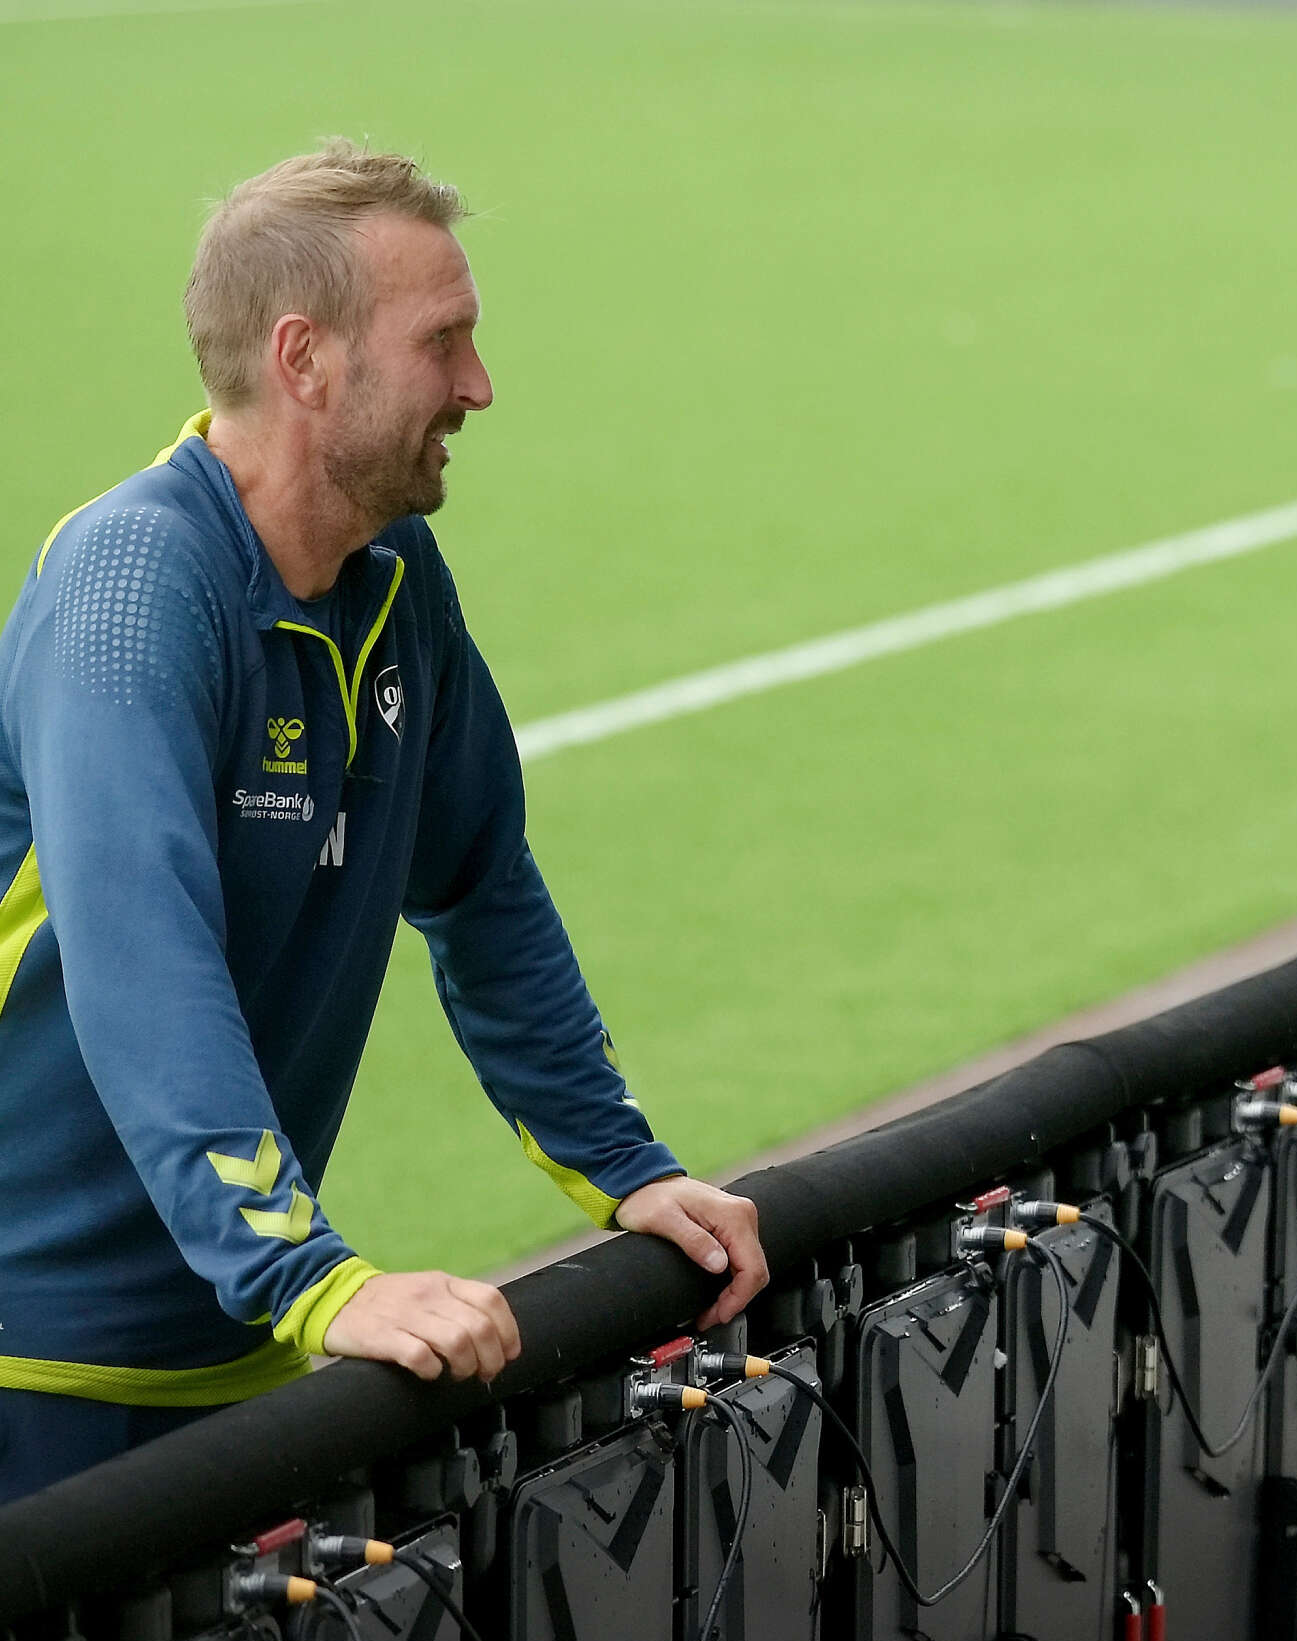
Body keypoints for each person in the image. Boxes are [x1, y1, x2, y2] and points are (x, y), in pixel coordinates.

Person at [0, 143, 769, 1501]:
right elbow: (141, 957)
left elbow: (482, 887)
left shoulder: (393, 577)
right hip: (33, 1364)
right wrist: (306, 1274)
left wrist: (624, 1169)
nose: (479, 385)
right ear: (304, 359)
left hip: (229, 1355)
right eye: (443, 341)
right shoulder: (131, 587)